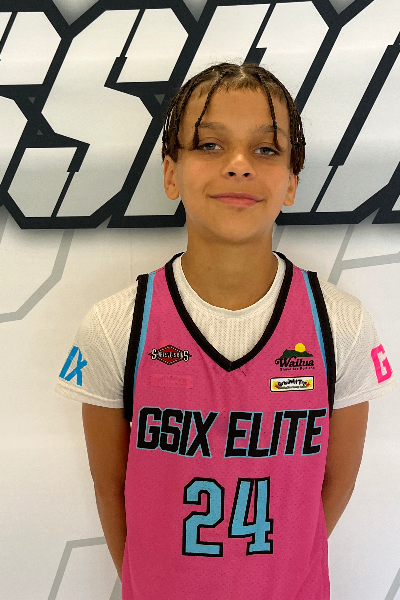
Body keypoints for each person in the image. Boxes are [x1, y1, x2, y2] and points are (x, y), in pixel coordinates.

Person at [55, 63, 397, 599]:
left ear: (291, 182)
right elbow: (112, 490)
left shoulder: (341, 324)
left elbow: (333, 486)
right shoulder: (117, 325)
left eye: (265, 149)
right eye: (210, 145)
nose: (239, 165)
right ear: (171, 174)